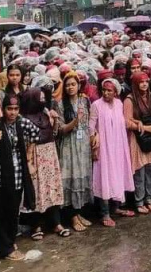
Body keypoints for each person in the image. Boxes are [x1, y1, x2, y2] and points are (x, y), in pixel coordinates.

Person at [0, 94, 42, 261]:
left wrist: (28, 155)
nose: (12, 112)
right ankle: (6, 248)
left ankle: (8, 243)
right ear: (3, 109)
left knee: (13, 212)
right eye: (9, 109)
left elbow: (36, 134)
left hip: (18, 175)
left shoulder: (23, 123)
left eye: (15, 109)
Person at [18, 88, 67, 239]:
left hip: (49, 154)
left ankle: (56, 223)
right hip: (34, 156)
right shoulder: (22, 119)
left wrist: (55, 119)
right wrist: (28, 161)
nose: (42, 100)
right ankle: (36, 225)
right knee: (36, 189)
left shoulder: (46, 114)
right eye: (39, 98)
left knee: (51, 187)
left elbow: (54, 134)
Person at [89, 79, 136, 226]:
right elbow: (90, 127)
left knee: (117, 175)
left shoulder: (119, 104)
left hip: (118, 146)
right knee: (104, 177)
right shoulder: (96, 105)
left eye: (110, 90)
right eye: (104, 90)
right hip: (104, 147)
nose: (106, 93)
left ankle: (116, 207)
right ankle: (105, 214)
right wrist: (94, 140)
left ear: (115, 92)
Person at [56, 73, 94, 232]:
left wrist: (95, 135)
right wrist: (75, 121)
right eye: (67, 85)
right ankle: (71, 217)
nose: (70, 87)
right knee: (71, 179)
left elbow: (91, 121)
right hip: (69, 146)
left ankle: (78, 213)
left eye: (73, 84)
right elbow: (61, 129)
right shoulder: (59, 104)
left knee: (82, 179)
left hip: (83, 145)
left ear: (79, 85)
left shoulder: (85, 100)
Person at [124, 72, 151, 214]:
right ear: (135, 84)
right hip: (138, 138)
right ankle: (139, 201)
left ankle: (149, 199)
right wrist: (142, 126)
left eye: (146, 81)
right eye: (141, 82)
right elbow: (126, 121)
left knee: (150, 170)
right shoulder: (130, 99)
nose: (144, 84)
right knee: (139, 171)